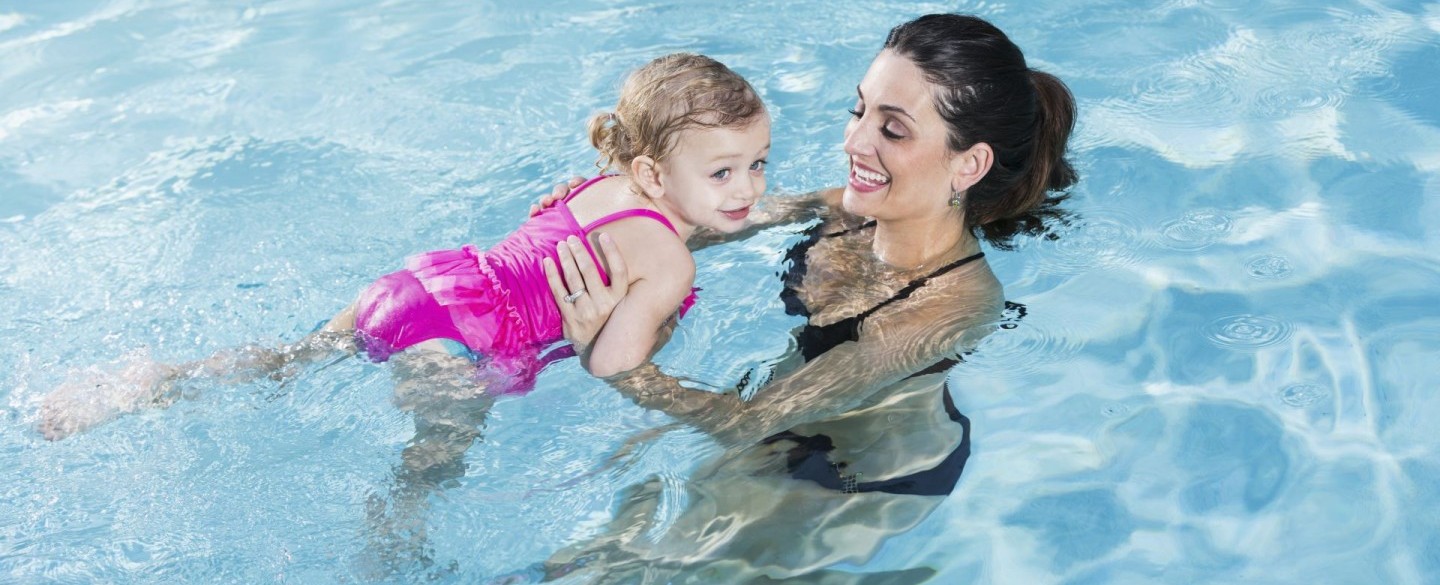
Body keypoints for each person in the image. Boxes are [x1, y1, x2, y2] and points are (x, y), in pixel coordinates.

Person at [525, 13, 1078, 583]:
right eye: (859, 110)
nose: (855, 142)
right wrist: (611, 204)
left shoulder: (952, 303)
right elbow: (688, 220)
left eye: (893, 130)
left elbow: (746, 423)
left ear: (970, 164)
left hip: (856, 481)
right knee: (582, 562)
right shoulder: (844, 209)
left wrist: (615, 364)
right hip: (782, 428)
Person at [35, 52, 771, 442]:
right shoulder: (669, 259)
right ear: (653, 172)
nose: (747, 189)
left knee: (287, 362)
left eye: (757, 164)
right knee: (429, 469)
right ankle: (392, 540)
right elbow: (613, 362)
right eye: (723, 172)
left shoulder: (598, 187)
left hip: (419, 286)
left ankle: (153, 381)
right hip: (464, 342)